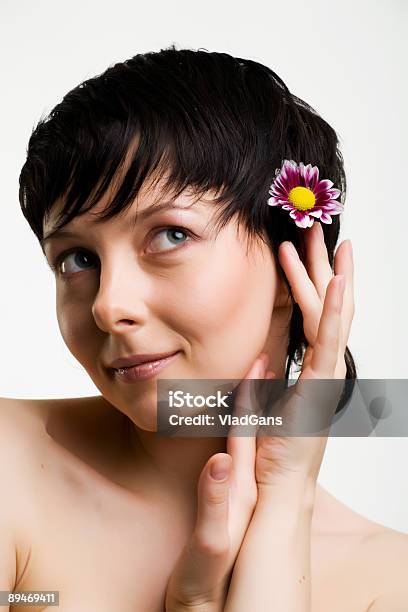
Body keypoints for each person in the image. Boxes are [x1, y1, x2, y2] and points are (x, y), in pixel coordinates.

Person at [1, 45, 407, 611]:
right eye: (77, 259)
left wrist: (284, 506)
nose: (107, 306)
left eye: (170, 235)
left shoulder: (390, 583)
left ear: (292, 272)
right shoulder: (10, 462)